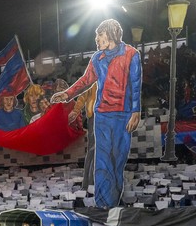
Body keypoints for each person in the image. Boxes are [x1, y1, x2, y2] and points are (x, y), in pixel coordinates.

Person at [52, 18, 142, 208]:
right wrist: (67, 94)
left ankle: (113, 203)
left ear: (110, 35)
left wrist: (136, 111)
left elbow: (136, 85)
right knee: (102, 160)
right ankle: (103, 205)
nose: (96, 39)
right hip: (102, 115)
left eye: (99, 35)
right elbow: (86, 81)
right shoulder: (96, 58)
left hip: (123, 116)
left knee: (117, 161)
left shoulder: (131, 54)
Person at [71, 83, 98, 191]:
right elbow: (83, 97)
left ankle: (90, 184)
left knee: (96, 150)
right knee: (94, 149)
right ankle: (90, 183)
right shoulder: (94, 81)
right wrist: (76, 111)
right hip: (96, 117)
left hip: (106, 117)